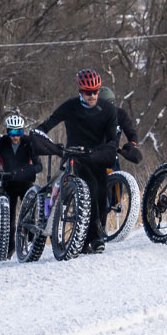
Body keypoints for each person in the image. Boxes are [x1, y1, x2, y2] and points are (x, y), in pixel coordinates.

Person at [35, 68, 119, 254]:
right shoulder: (70, 106)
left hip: (96, 155)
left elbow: (112, 139)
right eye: (88, 92)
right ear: (80, 91)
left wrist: (106, 151)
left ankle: (96, 235)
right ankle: (93, 238)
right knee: (90, 186)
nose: (92, 95)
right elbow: (48, 124)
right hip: (74, 154)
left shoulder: (108, 110)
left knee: (102, 191)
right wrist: (39, 133)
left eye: (96, 91)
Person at [0, 114, 42, 255]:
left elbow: (39, 166)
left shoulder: (29, 142)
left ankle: (30, 240)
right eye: (12, 132)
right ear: (7, 131)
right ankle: (9, 248)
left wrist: (24, 171)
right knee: (9, 219)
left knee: (29, 213)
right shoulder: (1, 142)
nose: (15, 136)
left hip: (25, 183)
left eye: (18, 132)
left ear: (22, 131)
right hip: (8, 183)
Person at [98, 85, 142, 165]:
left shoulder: (120, 114)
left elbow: (132, 133)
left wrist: (132, 144)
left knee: (115, 174)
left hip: (112, 155)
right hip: (93, 154)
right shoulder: (91, 115)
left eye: (111, 103)